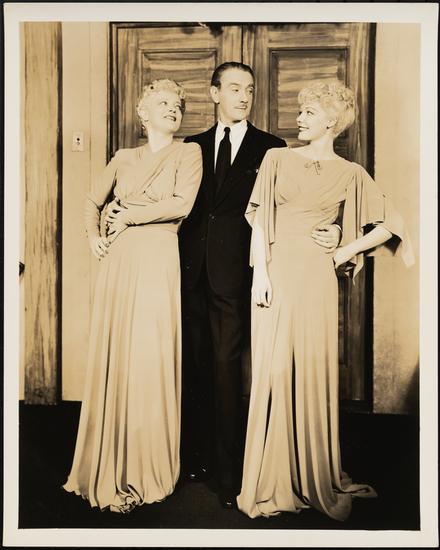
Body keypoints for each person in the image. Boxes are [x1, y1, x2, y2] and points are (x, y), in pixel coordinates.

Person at [237, 80, 415, 520]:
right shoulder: (276, 158)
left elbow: (391, 224)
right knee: (273, 369)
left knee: (311, 368)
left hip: (316, 278)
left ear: (331, 121)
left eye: (309, 113)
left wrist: (343, 246)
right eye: (301, 111)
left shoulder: (351, 173)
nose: (298, 119)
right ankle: (269, 477)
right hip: (275, 274)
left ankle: (312, 472)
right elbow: (259, 221)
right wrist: (260, 274)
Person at [178, 62, 341, 509]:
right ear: (215, 93)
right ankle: (194, 460)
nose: (244, 96)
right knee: (194, 365)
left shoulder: (272, 149)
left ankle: (229, 472)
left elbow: (300, 204)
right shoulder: (190, 147)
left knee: (227, 368)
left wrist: (336, 231)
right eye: (234, 88)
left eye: (249, 89)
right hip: (189, 270)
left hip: (240, 272)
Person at [63, 79, 202, 513]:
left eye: (177, 104)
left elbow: (181, 205)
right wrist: (94, 236)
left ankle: (147, 468)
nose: (172, 109)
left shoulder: (189, 153)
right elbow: (91, 201)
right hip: (120, 262)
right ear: (143, 114)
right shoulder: (123, 157)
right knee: (119, 354)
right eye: (163, 103)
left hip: (159, 258)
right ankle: (111, 464)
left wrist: (128, 217)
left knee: (149, 356)